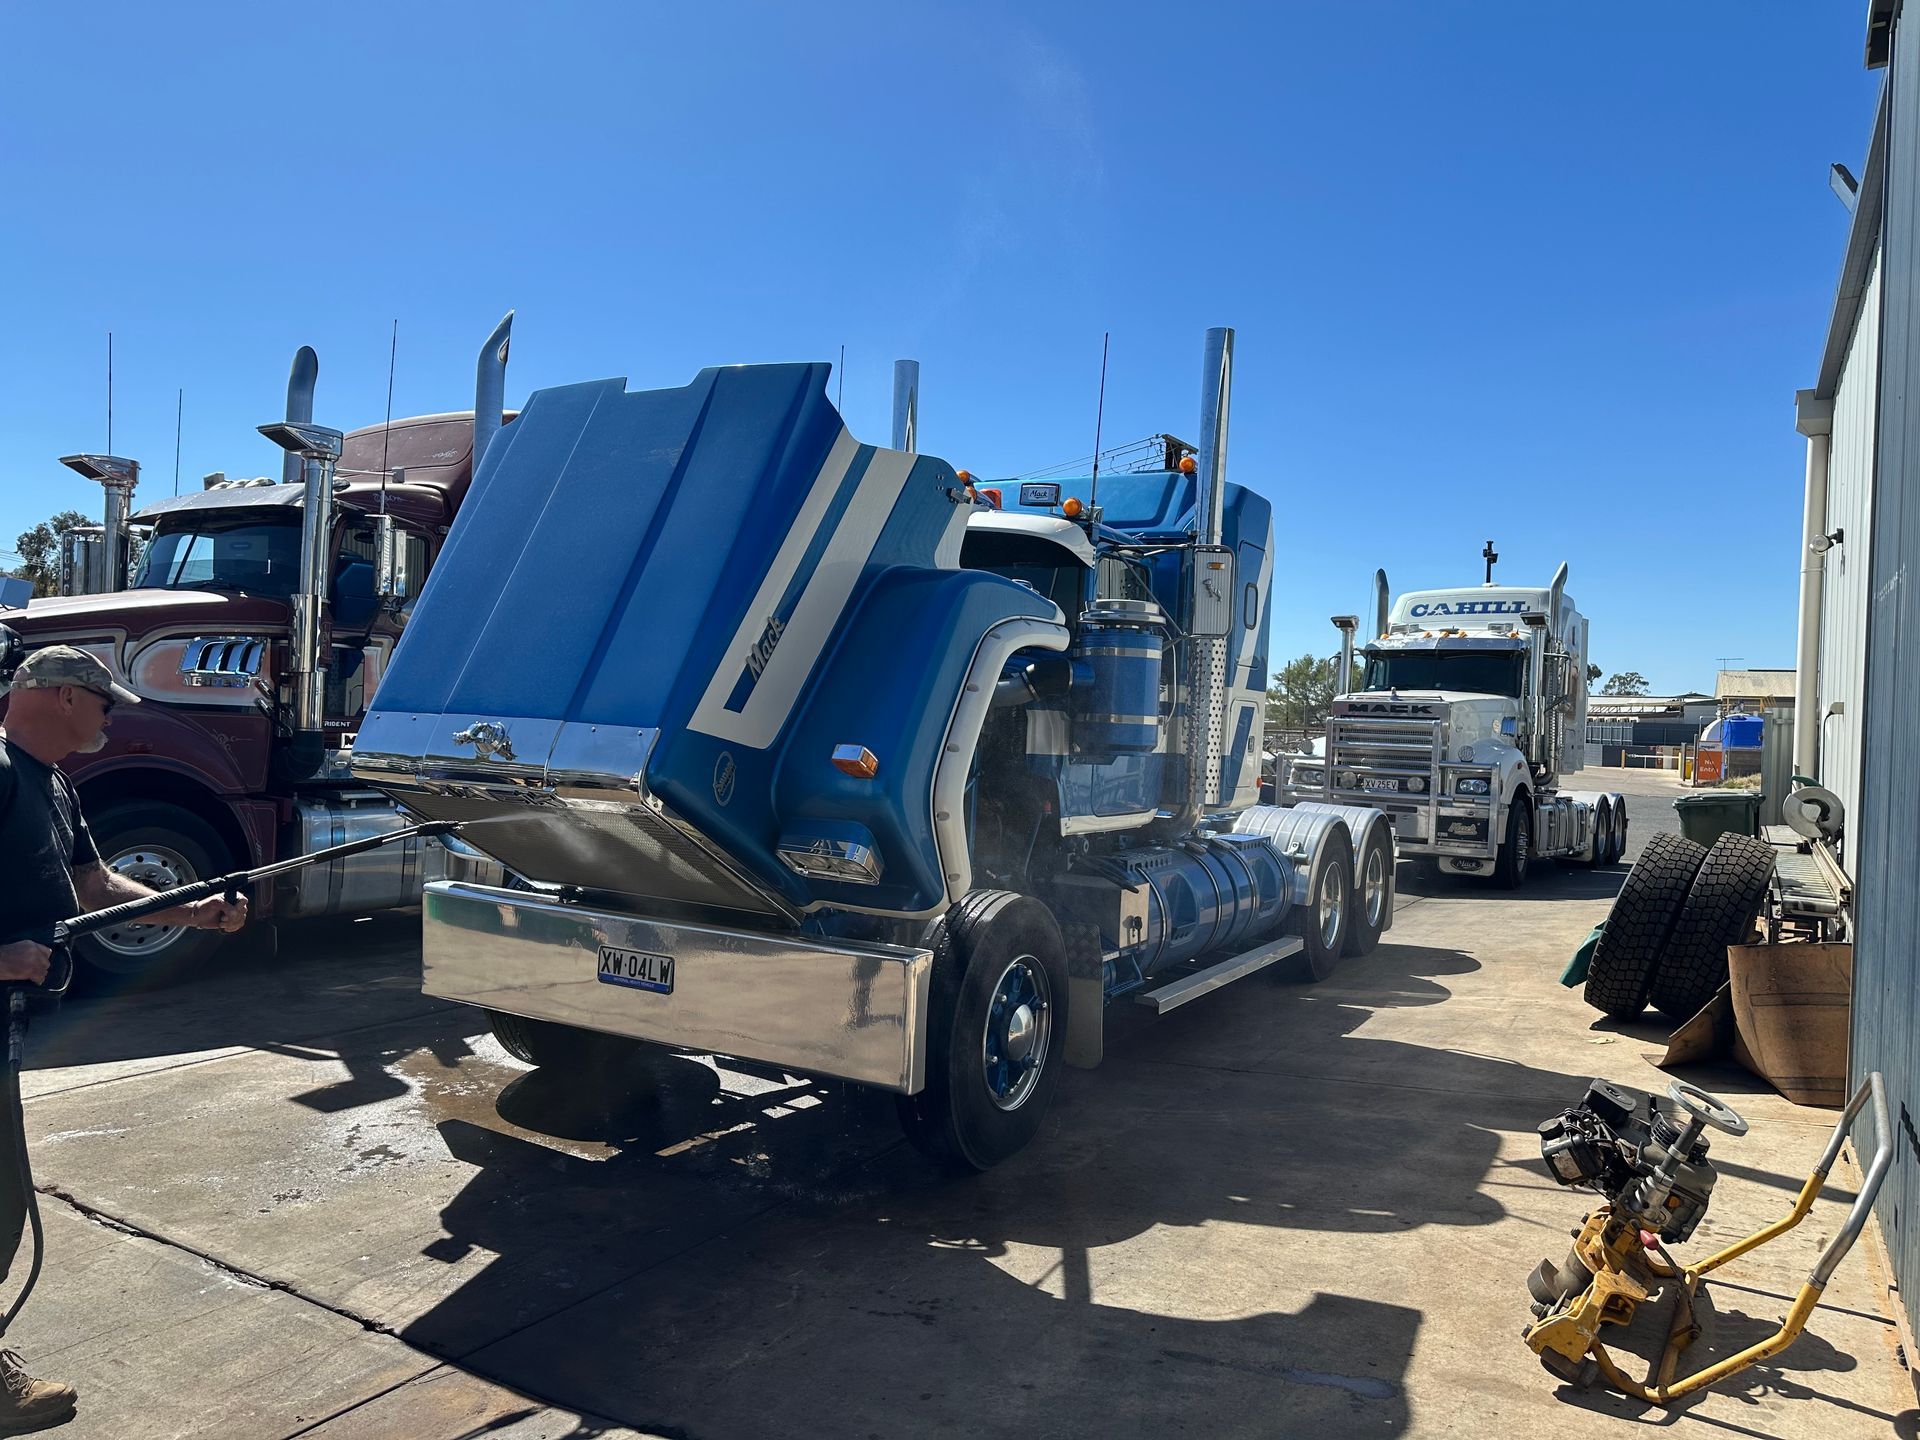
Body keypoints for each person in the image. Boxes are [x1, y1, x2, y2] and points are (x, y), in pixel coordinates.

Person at [0, 647, 247, 1434]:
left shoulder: (52, 783)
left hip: (8, 1028)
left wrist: (192, 908)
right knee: (1, 1204)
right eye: (104, 701)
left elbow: (95, 886)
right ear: (63, 696)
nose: (114, 715)